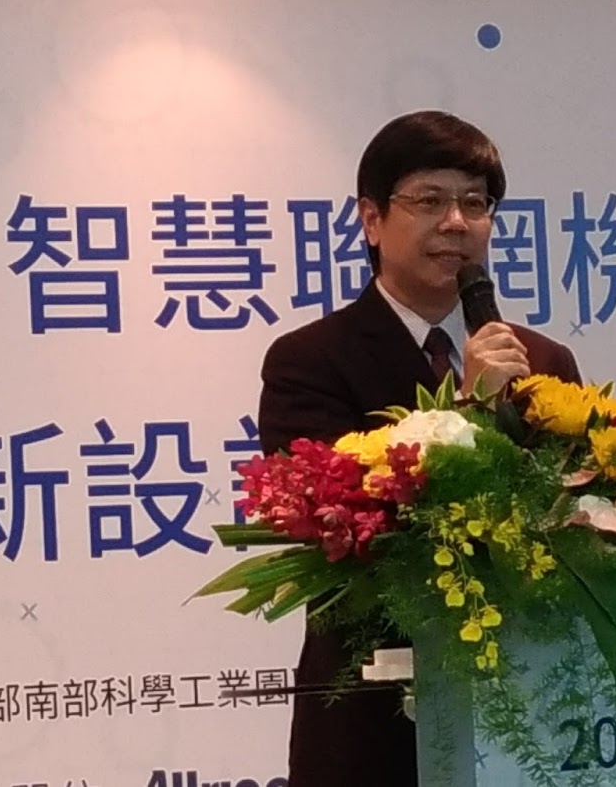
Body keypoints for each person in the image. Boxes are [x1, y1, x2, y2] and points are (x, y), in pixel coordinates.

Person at [256, 110, 581, 786]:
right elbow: (336, 530)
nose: (456, 223)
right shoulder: (309, 362)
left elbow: (572, 520)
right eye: (429, 201)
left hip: (529, 710)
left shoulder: (543, 361)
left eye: (474, 204)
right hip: (372, 720)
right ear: (371, 220)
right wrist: (470, 406)